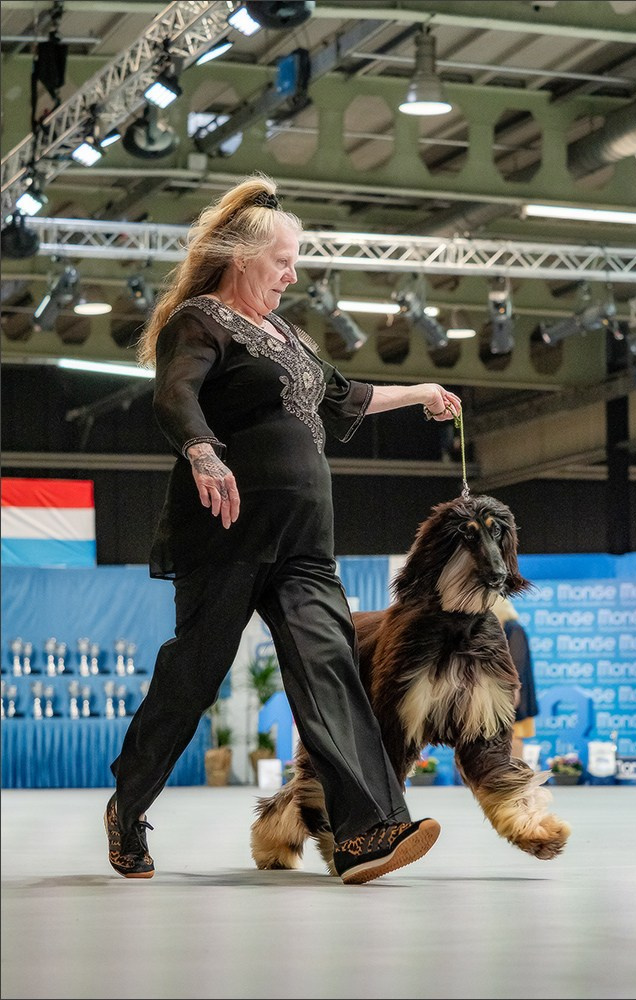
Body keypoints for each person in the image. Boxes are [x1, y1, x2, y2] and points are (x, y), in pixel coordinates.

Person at [104, 172, 462, 885]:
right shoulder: (200, 320)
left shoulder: (289, 337)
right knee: (192, 681)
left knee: (330, 671)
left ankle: (367, 833)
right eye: (283, 262)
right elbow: (175, 392)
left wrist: (421, 391)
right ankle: (128, 806)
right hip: (226, 534)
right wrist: (202, 451)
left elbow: (342, 396)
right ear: (244, 259)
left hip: (304, 544)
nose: (292, 276)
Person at [492, 596, 539, 760]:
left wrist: (512, 688)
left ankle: (514, 777)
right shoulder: (494, 630)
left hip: (513, 689)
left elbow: (517, 662)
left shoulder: (514, 628)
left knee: (513, 735)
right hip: (499, 691)